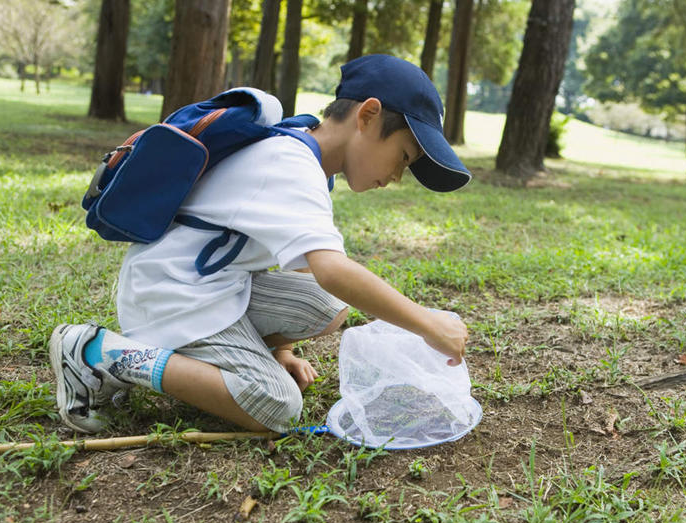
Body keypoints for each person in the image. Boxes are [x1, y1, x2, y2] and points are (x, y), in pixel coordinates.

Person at [50, 54, 472, 435]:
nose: (397, 176)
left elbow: (301, 269)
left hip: (210, 284)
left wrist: (281, 350)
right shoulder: (289, 165)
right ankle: (99, 351)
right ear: (368, 115)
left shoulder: (304, 153)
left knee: (329, 305)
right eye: (403, 157)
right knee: (277, 406)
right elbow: (333, 270)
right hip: (175, 296)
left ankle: (237, 354)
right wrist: (428, 324)